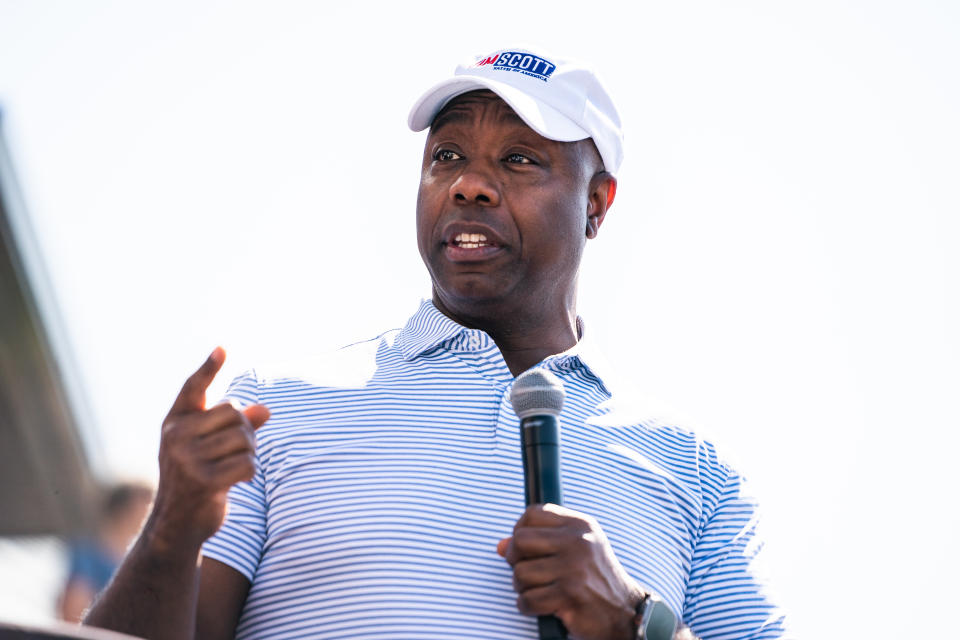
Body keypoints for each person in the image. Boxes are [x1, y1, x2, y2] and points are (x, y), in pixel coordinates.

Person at [84, 47, 787, 639]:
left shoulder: (696, 471)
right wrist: (172, 531)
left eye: (519, 160)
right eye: (447, 155)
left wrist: (632, 620)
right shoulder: (276, 408)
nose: (469, 186)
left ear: (598, 204)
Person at [58, 483, 153, 623]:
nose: (153, 509)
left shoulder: (144, 560)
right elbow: (72, 613)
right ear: (125, 509)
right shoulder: (86, 552)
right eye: (148, 502)